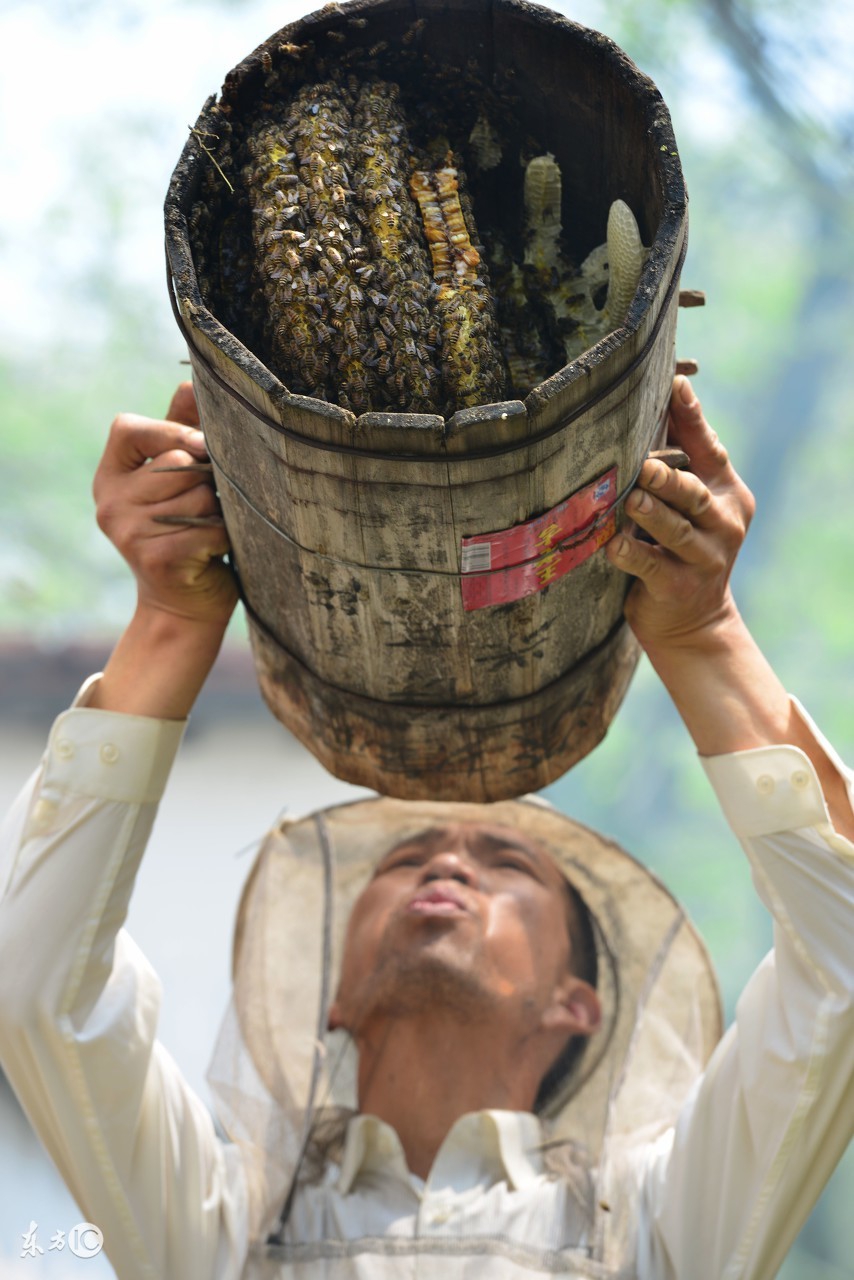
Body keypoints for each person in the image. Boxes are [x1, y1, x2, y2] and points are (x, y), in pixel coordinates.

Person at [0, 375, 851, 1279]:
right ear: (337, 989)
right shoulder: (223, 1226)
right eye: (404, 859)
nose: (446, 858)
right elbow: (38, 989)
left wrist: (706, 632)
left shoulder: (655, 1229)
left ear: (574, 1004)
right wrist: (169, 623)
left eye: (509, 862)